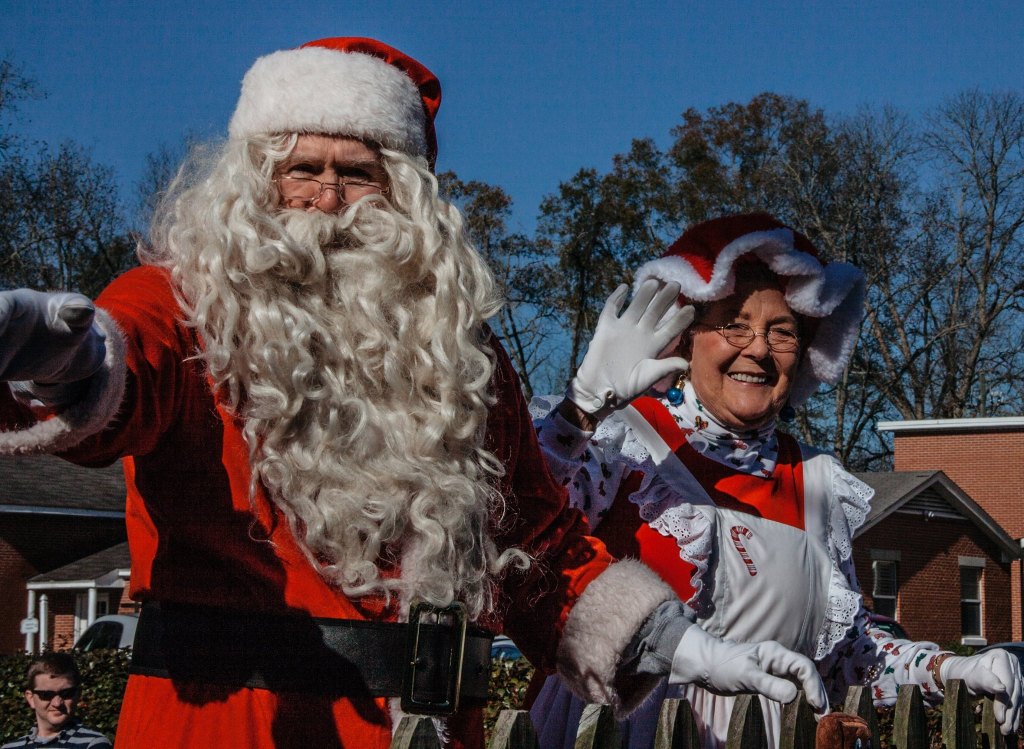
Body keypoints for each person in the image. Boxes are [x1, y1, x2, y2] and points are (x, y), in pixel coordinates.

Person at [0, 42, 827, 749]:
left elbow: (536, 546)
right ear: (255, 182)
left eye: (357, 174)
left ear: (404, 194)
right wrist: (59, 353)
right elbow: (119, 370)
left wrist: (685, 646)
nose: (328, 201)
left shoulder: (458, 356)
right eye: (302, 170)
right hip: (232, 725)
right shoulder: (181, 304)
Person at [528, 213, 1024, 749]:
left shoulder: (818, 482)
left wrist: (952, 669)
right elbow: (512, 532)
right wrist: (580, 411)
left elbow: (848, 654)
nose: (759, 349)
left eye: (782, 332)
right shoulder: (618, 443)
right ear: (685, 338)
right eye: (734, 324)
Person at [2, 652, 111, 749]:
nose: (57, 703)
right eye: (46, 695)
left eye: (66, 693)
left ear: (78, 694)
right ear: (31, 698)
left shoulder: (94, 744)